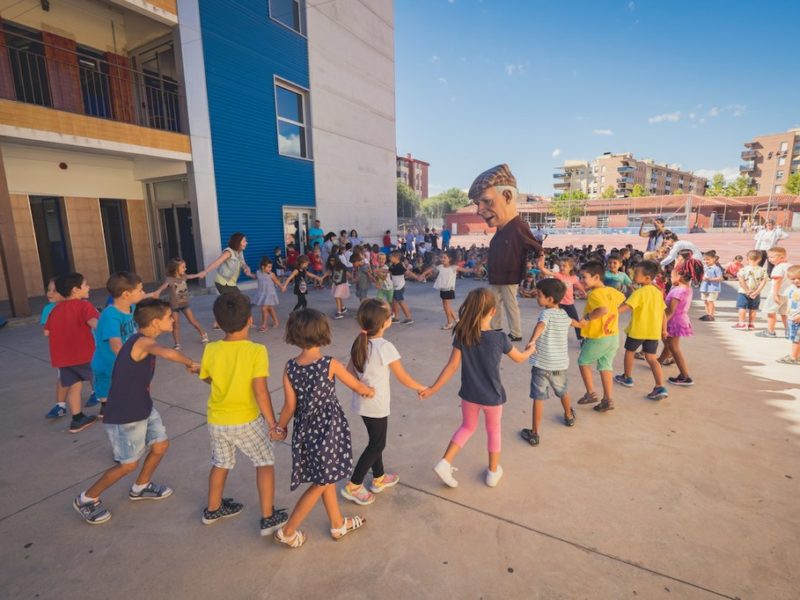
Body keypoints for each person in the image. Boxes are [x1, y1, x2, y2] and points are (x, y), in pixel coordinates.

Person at [73, 300, 200, 525]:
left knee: (160, 446)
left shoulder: (140, 340)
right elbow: (168, 353)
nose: (173, 319)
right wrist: (191, 363)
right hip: (126, 414)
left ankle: (140, 487)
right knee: (127, 464)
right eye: (169, 316)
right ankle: (87, 498)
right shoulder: (142, 342)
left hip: (143, 406)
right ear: (154, 322)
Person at [272, 308, 375, 548]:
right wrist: (370, 390)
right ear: (322, 333)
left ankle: (338, 523)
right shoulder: (329, 364)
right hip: (328, 430)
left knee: (325, 477)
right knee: (321, 481)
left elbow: (289, 405)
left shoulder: (290, 367)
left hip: (305, 430)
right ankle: (288, 532)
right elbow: (357, 386)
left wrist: (280, 427)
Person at [421, 288, 534, 488]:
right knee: (493, 431)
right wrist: (529, 350)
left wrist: (432, 388)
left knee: (467, 427)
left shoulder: (463, 334)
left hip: (469, 395)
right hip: (492, 397)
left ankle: (445, 462)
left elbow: (452, 366)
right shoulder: (499, 339)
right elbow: (519, 359)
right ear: (493, 312)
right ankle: (492, 472)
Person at [199, 293, 288, 536]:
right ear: (250, 320)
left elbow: (208, 378)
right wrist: (273, 424)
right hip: (245, 419)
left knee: (221, 463)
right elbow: (260, 391)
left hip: (217, 420)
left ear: (218, 322)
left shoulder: (211, 349)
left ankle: (213, 509)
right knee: (264, 461)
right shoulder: (256, 351)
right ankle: (268, 517)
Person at [341, 300, 427, 506]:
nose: (391, 317)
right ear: (384, 323)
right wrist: (420, 387)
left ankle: (378, 478)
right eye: (389, 315)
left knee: (375, 441)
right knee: (377, 444)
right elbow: (403, 377)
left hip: (364, 404)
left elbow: (348, 372)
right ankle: (353, 485)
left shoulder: (360, 341)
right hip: (376, 405)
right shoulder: (385, 347)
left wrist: (360, 388)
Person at [469, 164, 542, 341]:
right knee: (494, 304)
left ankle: (516, 333)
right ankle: (495, 328)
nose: (479, 210)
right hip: (496, 275)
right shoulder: (501, 229)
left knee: (511, 305)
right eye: (478, 204)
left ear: (507, 196)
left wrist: (540, 263)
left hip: (509, 276)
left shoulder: (518, 226)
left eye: (486, 201)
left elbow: (537, 248)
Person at [520, 279, 581, 446]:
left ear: (550, 299)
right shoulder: (564, 315)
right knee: (563, 391)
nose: (536, 297)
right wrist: (588, 323)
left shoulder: (545, 314)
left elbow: (541, 325)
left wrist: (532, 340)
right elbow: (577, 323)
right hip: (559, 365)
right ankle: (568, 416)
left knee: (538, 398)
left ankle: (534, 433)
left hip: (541, 364)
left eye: (539, 295)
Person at [45, 272, 100, 433]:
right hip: (83, 355)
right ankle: (107, 409)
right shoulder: (84, 306)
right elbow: (95, 324)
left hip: (62, 358)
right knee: (101, 379)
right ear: (76, 290)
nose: (88, 287)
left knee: (73, 387)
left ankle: (77, 419)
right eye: (85, 285)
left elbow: (46, 332)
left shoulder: (54, 310)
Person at [92, 272, 147, 416]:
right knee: (117, 386)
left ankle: (109, 407)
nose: (143, 293)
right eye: (140, 290)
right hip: (111, 359)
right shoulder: (111, 315)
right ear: (126, 294)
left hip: (120, 357)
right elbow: (115, 344)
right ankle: (111, 407)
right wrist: (129, 362)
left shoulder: (131, 307)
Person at [575, 261, 626, 412]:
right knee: (605, 366)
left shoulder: (595, 294)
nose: (581, 280)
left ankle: (591, 393)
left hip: (599, 337)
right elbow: (621, 298)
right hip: (612, 336)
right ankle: (607, 399)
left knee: (583, 361)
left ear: (596, 277)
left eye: (584, 277)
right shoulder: (610, 291)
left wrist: (588, 317)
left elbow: (603, 309)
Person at [615, 260, 668, 401]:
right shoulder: (657, 292)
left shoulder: (639, 292)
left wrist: (610, 312)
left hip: (638, 330)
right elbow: (663, 312)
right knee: (651, 358)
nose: (633, 274)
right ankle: (659, 386)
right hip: (653, 332)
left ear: (648, 278)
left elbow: (626, 307)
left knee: (629, 352)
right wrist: (664, 330)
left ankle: (627, 377)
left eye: (636, 273)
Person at [153, 258, 208, 349]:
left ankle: (203, 333)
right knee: (176, 325)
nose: (185, 269)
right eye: (183, 267)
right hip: (174, 306)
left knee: (193, 321)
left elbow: (191, 276)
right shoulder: (170, 279)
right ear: (176, 269)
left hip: (185, 304)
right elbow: (163, 287)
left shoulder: (184, 276)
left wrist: (199, 274)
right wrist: (157, 292)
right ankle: (177, 343)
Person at [419, 251, 473, 330]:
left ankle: (449, 323)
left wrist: (474, 269)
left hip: (449, 290)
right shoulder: (440, 267)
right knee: (446, 306)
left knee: (446, 307)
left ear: (450, 259)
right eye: (441, 257)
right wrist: (423, 274)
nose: (442, 259)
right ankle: (457, 321)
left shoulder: (454, 267)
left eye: (444, 257)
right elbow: (431, 269)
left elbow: (465, 270)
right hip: (443, 289)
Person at [538, 256, 585, 341]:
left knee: (575, 321)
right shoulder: (558, 275)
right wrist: (541, 267)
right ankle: (549, 335)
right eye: (560, 265)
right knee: (555, 320)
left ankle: (581, 338)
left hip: (569, 304)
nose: (561, 267)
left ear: (570, 267)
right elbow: (548, 273)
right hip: (558, 304)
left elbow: (578, 286)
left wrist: (584, 292)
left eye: (564, 266)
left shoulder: (573, 278)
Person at [663, 269, 694, 385]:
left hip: (674, 321)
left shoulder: (678, 291)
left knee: (674, 348)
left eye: (672, 276)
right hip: (680, 320)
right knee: (671, 346)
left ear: (679, 277)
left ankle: (684, 376)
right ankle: (660, 360)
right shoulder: (687, 289)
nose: (670, 278)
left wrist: (663, 324)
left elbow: (671, 310)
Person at [756, 247, 790, 338]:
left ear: (782, 257)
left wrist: (775, 294)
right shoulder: (789, 266)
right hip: (788, 295)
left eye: (772, 257)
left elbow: (777, 282)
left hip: (777, 293)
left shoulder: (778, 268)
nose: (769, 259)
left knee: (771, 312)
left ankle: (770, 331)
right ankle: (789, 331)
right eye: (769, 257)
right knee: (785, 313)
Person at [733, 250, 768, 331]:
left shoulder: (743, 269)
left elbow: (741, 280)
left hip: (743, 292)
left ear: (747, 259)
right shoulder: (762, 270)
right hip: (756, 293)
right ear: (759, 259)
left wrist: (747, 290)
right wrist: (757, 291)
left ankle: (742, 323)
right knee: (753, 309)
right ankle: (751, 324)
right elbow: (764, 281)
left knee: (742, 307)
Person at [777, 265, 800, 364]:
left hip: (798, 318)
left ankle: (793, 357)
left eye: (799, 278)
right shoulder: (792, 287)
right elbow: (788, 299)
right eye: (793, 279)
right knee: (795, 338)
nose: (796, 281)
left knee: (797, 339)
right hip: (792, 317)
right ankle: (796, 355)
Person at [388, 250, 417, 324]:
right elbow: (388, 271)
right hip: (395, 286)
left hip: (399, 287)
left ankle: (409, 318)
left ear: (396, 257)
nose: (389, 258)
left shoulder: (399, 266)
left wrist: (417, 277)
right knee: (394, 301)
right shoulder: (393, 265)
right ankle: (396, 317)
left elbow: (408, 272)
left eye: (391, 256)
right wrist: (379, 270)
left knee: (401, 301)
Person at [253, 257, 281, 331]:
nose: (270, 268)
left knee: (264, 308)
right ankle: (276, 321)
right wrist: (249, 273)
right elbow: (255, 277)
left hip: (270, 294)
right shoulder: (258, 272)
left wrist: (282, 287)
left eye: (271, 267)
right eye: (268, 267)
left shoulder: (271, 274)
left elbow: (276, 281)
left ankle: (264, 325)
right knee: (270, 308)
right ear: (263, 267)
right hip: (262, 294)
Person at [699, 251, 723, 322]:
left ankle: (711, 315)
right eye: (705, 259)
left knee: (710, 301)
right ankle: (707, 314)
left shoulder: (716, 268)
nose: (706, 261)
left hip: (713, 288)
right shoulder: (705, 267)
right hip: (704, 287)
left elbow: (720, 278)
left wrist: (710, 279)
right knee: (705, 301)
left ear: (714, 259)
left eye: (708, 259)